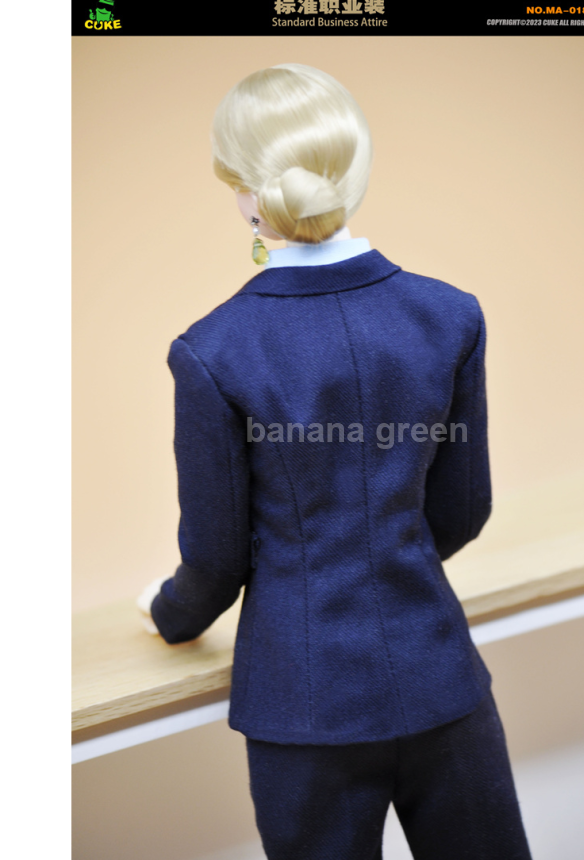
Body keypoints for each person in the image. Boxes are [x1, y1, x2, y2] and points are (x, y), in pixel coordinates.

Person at [138, 63, 532, 860]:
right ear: (355, 172)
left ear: (244, 193)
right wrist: (388, 557)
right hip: (439, 677)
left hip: (303, 702)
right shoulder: (449, 315)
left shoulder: (213, 351)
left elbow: (216, 560)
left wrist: (169, 613)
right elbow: (463, 511)